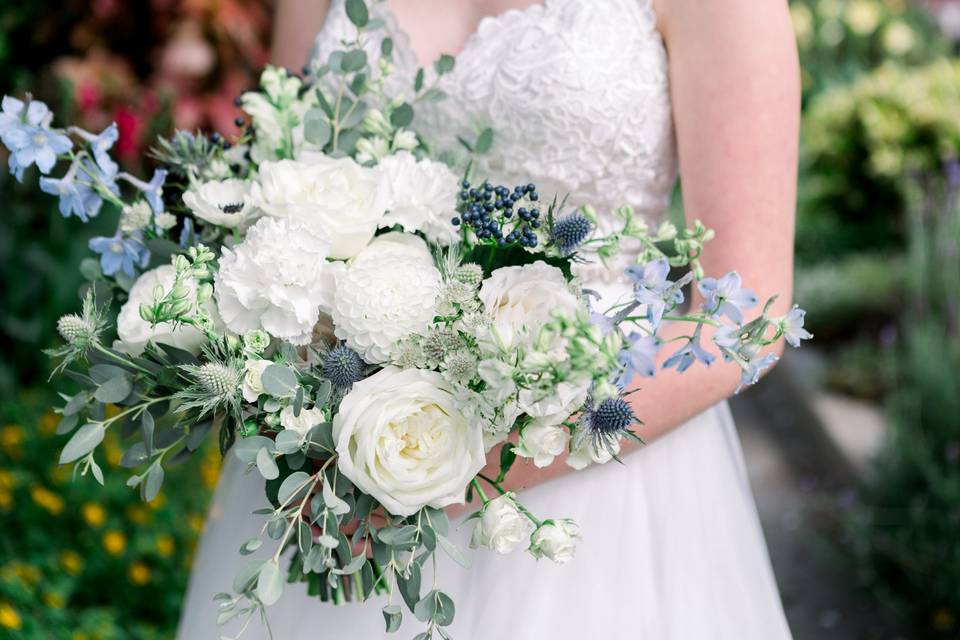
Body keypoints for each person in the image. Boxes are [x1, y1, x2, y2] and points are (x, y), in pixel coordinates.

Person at [178, 0, 799, 637]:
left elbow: (749, 321)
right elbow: (282, 179)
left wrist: (443, 471)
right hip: (338, 449)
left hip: (589, 477)